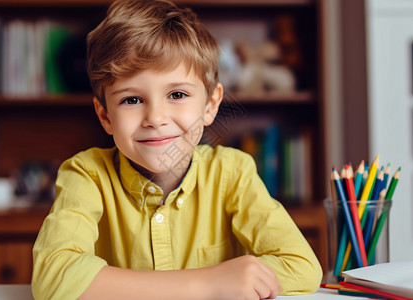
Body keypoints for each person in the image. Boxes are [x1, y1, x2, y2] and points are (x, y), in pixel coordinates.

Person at [31, 0, 323, 299]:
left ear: (210, 104)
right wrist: (207, 285)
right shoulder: (86, 174)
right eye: (131, 100)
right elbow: (54, 279)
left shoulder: (232, 172)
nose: (156, 119)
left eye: (177, 94)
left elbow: (301, 266)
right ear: (105, 115)